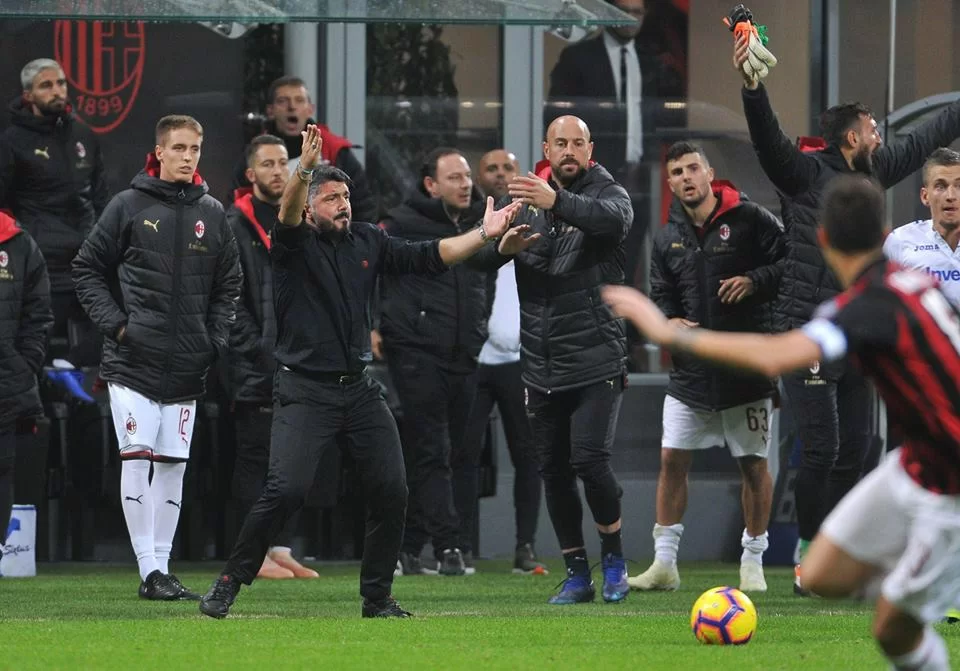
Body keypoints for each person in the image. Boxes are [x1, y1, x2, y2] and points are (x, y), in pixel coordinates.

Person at [604, 174, 960, 671]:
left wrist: (669, 333)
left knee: (891, 629)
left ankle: (926, 576)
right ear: (883, 234)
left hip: (950, 481)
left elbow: (776, 356)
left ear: (822, 239)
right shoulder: (912, 283)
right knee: (818, 576)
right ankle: (910, 571)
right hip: (916, 463)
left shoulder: (868, 305)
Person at [198, 125, 528, 620]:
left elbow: (433, 256)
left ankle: (376, 597)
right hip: (304, 389)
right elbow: (286, 214)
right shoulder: (292, 245)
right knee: (285, 490)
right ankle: (230, 580)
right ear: (310, 209)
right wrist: (304, 170)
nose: (343, 204)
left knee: (393, 489)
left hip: (357, 389)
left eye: (346, 195)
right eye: (330, 198)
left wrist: (485, 233)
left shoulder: (369, 240)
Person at [734, 33, 960, 592]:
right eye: (874, 128)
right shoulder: (805, 173)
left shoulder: (875, 172)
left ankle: (843, 553)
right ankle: (809, 553)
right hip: (807, 327)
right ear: (853, 135)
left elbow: (928, 135)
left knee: (860, 446)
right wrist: (753, 89)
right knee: (823, 445)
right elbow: (767, 143)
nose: (882, 136)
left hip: (856, 331)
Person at [72, 115, 241, 601]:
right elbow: (86, 268)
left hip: (189, 364)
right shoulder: (127, 206)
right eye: (181, 148)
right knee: (137, 456)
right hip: (132, 363)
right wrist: (120, 326)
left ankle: (160, 572)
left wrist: (214, 339)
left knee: (172, 465)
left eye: (196, 149)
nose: (189, 157)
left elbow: (230, 284)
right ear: (160, 152)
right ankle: (149, 571)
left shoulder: (213, 211)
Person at [472, 115, 633, 605]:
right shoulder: (523, 199)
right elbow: (479, 265)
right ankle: (577, 573)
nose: (568, 150)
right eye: (559, 142)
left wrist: (557, 201)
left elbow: (612, 222)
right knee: (554, 470)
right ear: (546, 146)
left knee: (590, 460)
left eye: (577, 143)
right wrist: (496, 245)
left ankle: (614, 560)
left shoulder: (609, 193)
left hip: (596, 358)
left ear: (590, 148)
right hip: (539, 361)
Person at [627, 141, 784, 594]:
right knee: (671, 461)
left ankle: (752, 560)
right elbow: (660, 294)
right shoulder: (665, 237)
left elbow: (791, 263)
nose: (686, 178)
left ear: (710, 172)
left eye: (693, 168)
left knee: (753, 466)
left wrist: (755, 280)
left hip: (746, 370)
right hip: (691, 376)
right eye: (677, 172)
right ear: (671, 182)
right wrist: (668, 318)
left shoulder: (751, 219)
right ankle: (664, 565)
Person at [376, 147, 487, 577]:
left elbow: (487, 275)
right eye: (455, 177)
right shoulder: (403, 224)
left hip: (465, 350)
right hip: (417, 350)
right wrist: (374, 323)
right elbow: (373, 271)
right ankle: (449, 547)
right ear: (431, 185)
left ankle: (408, 545)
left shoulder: (481, 222)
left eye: (466, 176)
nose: (465, 184)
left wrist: (478, 325)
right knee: (432, 448)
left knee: (453, 451)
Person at [225, 134, 317, 580]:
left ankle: (280, 547)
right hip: (255, 364)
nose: (278, 170)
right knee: (254, 459)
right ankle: (253, 554)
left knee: (291, 460)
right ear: (251, 174)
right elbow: (229, 298)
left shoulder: (302, 215)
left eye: (284, 162)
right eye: (268, 164)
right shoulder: (235, 223)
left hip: (298, 358)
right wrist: (255, 347)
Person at [0, 58, 108, 368]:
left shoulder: (84, 135)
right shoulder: (12, 143)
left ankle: (84, 409)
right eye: (46, 85)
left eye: (61, 83)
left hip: (87, 261)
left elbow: (100, 195)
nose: (57, 90)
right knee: (39, 351)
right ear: (28, 96)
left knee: (101, 344)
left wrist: (104, 243)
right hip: (41, 265)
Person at [231, 75, 377, 223]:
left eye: (299, 100)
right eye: (283, 101)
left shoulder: (334, 151)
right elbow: (236, 201)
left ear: (310, 109)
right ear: (270, 110)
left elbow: (362, 207)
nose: (292, 107)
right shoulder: (256, 152)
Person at [0, 212, 52, 566]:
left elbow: (39, 315)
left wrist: (23, 364)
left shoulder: (18, 243)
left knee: (1, 469)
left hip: (5, 380)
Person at [884, 148, 960, 307]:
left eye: (959, 186)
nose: (950, 196)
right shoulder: (899, 241)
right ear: (925, 196)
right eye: (940, 186)